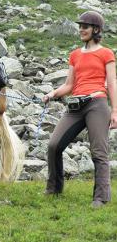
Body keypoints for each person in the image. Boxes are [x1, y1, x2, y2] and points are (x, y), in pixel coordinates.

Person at [42, 11, 117, 207]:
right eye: (80, 26)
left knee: (99, 152)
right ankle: (54, 189)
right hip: (75, 105)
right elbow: (69, 85)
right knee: (54, 145)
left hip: (97, 104)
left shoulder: (106, 53)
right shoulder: (75, 55)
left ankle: (100, 197)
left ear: (96, 30)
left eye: (86, 26)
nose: (81, 29)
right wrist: (52, 94)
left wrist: (115, 110)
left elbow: (111, 82)